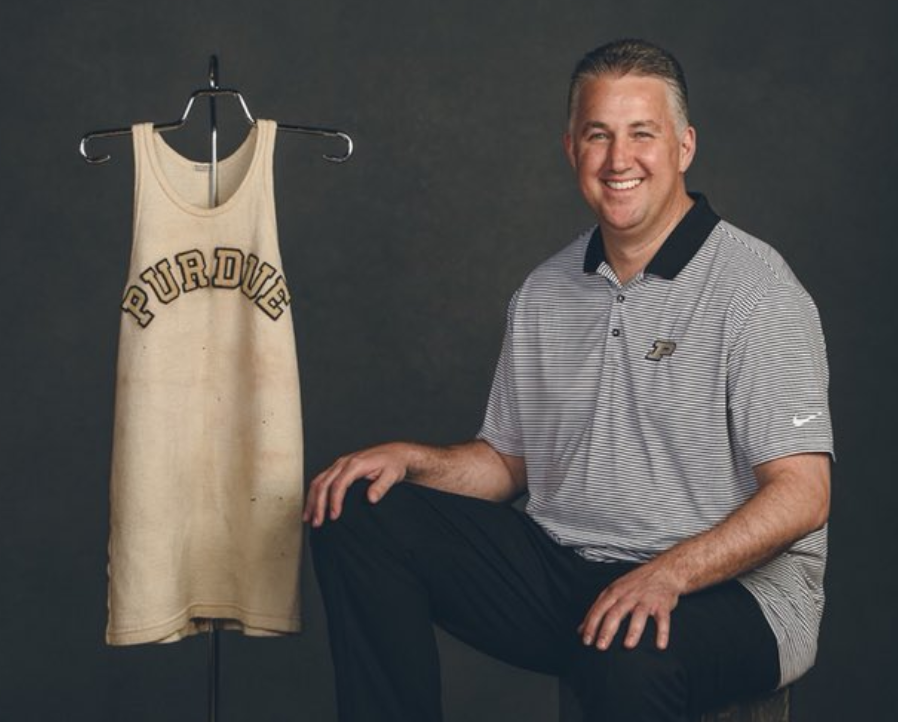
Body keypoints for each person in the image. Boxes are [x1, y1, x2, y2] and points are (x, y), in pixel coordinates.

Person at [305, 38, 833, 722]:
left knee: (626, 652)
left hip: (733, 596)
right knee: (357, 510)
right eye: (598, 135)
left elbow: (803, 496)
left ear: (684, 147)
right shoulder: (545, 292)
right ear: (571, 149)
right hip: (570, 571)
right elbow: (508, 464)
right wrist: (413, 460)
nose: (619, 159)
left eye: (642, 134)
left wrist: (668, 574)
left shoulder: (757, 289)